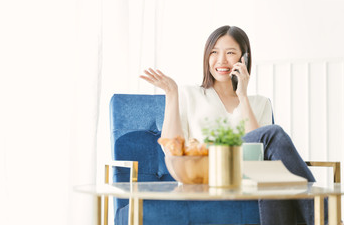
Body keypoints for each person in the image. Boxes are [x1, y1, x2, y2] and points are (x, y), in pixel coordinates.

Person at [140, 25, 326, 225]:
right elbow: (172, 151)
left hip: (250, 181)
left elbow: (259, 158)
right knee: (274, 134)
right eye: (214, 52)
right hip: (208, 175)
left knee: (274, 177)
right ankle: (326, 218)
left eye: (230, 53)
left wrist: (242, 96)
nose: (221, 60)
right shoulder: (189, 94)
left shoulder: (259, 102)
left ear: (243, 59)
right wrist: (171, 94)